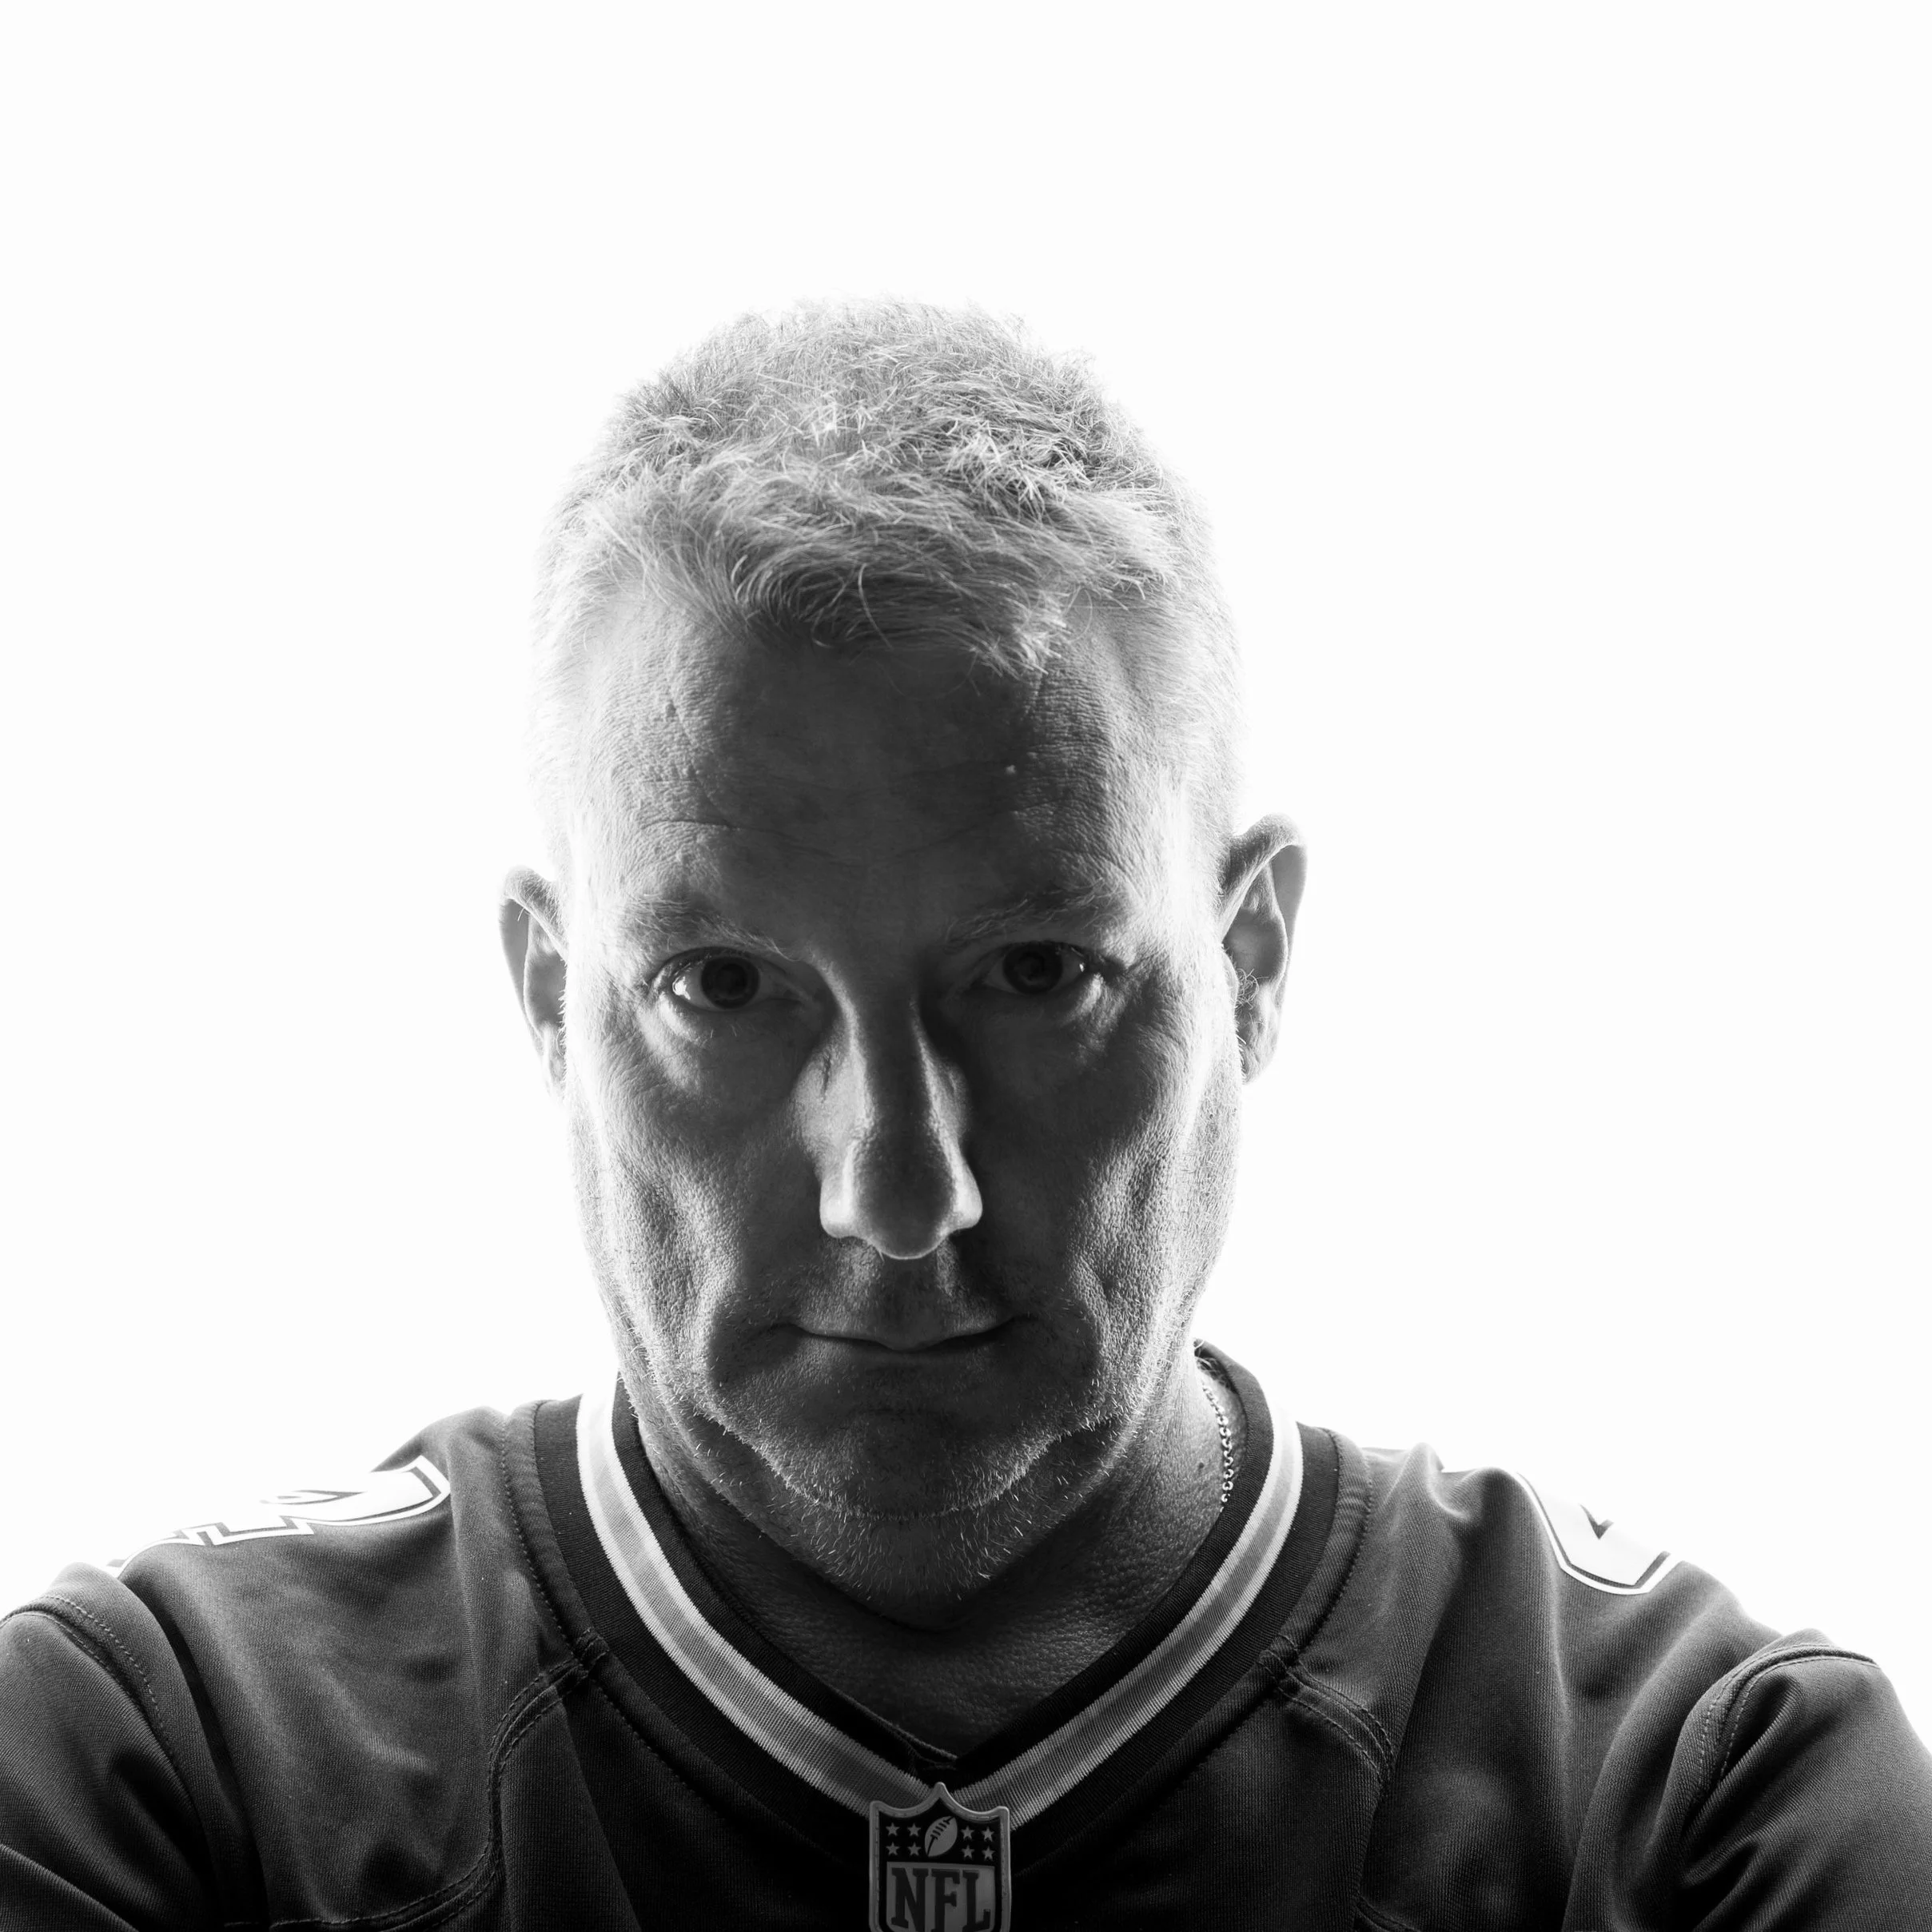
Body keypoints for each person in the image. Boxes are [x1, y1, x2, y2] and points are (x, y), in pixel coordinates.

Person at [2, 301, 1926, 1932]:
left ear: (1249, 962)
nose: (896, 1188)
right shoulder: (164, 1756)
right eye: (722, 986)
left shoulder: (1691, 1786)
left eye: (1035, 972)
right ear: (546, 997)